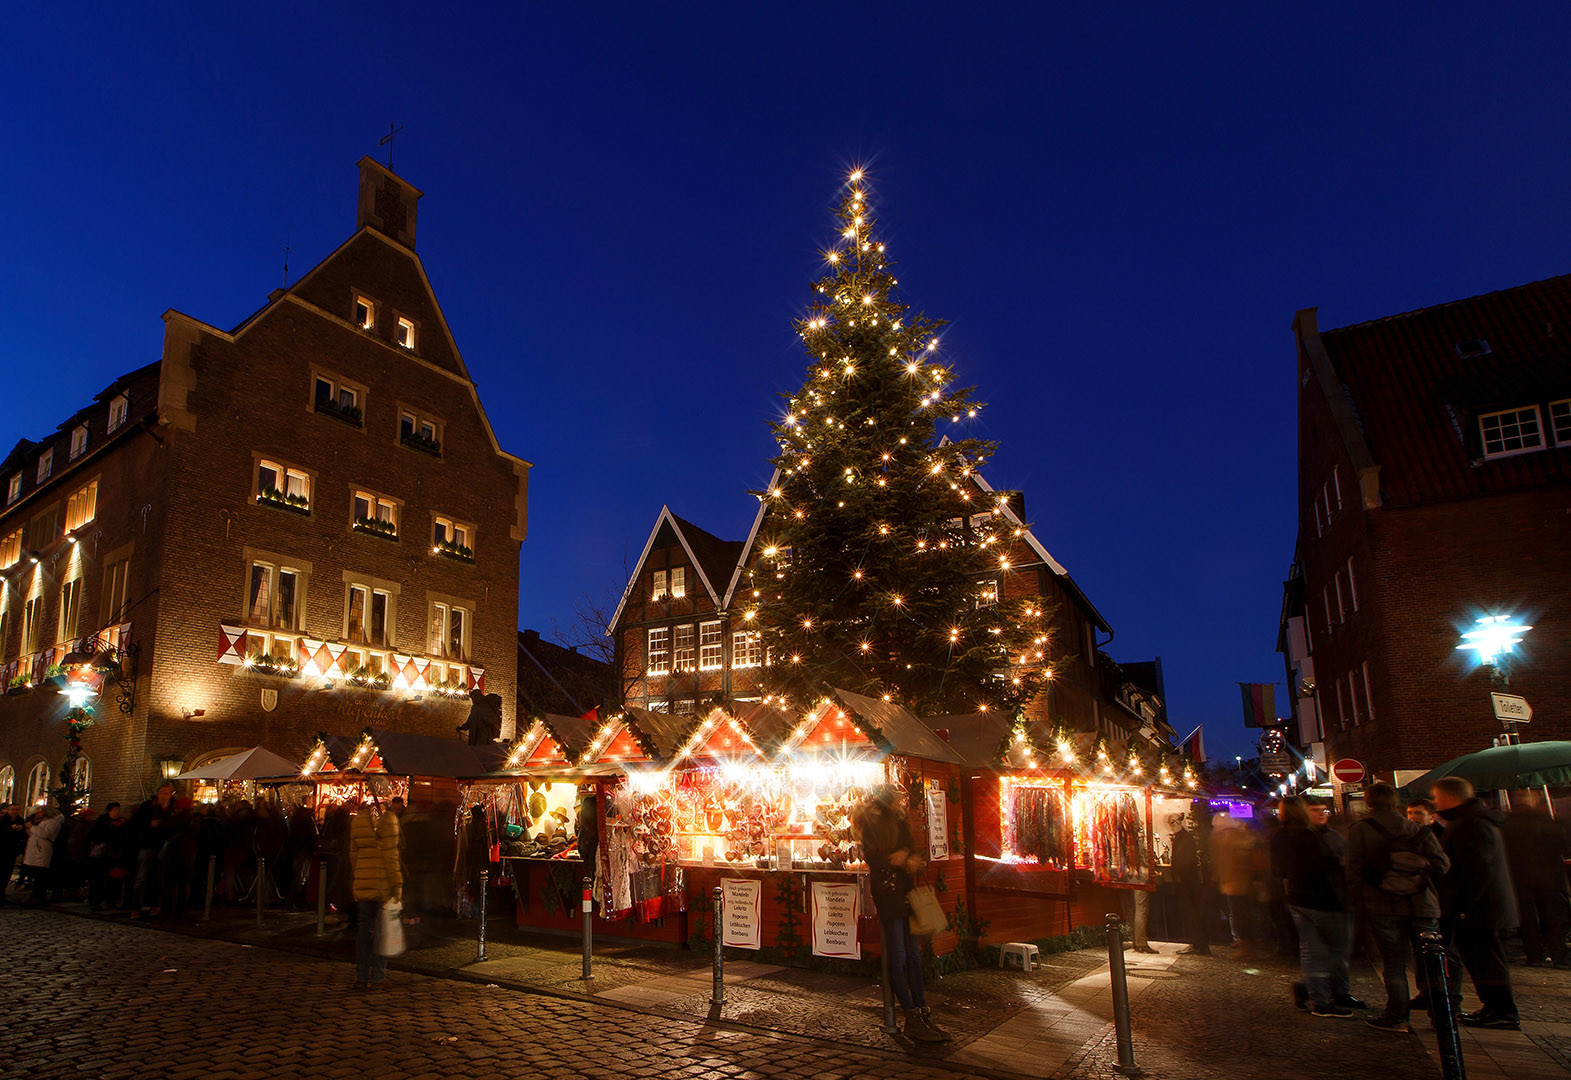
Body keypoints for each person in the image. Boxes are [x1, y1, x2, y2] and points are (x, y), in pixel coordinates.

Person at [1346, 782, 1449, 1033]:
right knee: (1431, 962)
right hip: (1422, 903)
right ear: (1396, 801)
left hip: (1383, 905)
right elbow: (1442, 865)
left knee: (1393, 962)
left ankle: (1397, 1016)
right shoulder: (1416, 829)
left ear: (1368, 802)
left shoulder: (1360, 830)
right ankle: (1441, 1016)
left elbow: (1353, 872)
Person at [851, 789, 949, 1044]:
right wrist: (897, 859)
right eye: (897, 798)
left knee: (912, 955)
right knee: (899, 955)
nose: (902, 801)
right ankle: (911, 1016)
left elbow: (909, 848)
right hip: (889, 893)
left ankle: (921, 1011)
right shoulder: (875, 823)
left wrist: (911, 857)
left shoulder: (898, 819)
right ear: (888, 801)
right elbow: (873, 857)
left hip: (904, 891)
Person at [1432, 776, 1520, 1029]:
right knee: (1482, 960)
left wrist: (1463, 908)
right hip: (1481, 907)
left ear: (1449, 797)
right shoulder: (1472, 822)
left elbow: (1478, 870)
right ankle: (1493, 1007)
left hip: (1480, 909)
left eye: (1437, 797)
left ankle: (1502, 1010)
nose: (1435, 802)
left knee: (1487, 960)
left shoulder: (1471, 825)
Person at [1271, 797, 1360, 1017]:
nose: (1321, 814)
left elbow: (1279, 870)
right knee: (1335, 951)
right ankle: (1322, 994)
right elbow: (1326, 866)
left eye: (1323, 810)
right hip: (1326, 899)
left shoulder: (1280, 837)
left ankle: (1319, 995)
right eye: (1314, 810)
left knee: (1314, 952)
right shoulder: (1309, 836)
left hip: (1299, 898)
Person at [1501, 790, 1571, 969]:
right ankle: (1558, 955)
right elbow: (1562, 846)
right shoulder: (1547, 821)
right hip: (1550, 877)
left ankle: (1534, 955)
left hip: (1519, 878)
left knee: (1528, 918)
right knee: (1553, 917)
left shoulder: (1507, 824)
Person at [350, 794, 403, 990]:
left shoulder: (358, 820)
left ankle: (361, 976)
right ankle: (379, 976)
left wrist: (361, 874)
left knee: (364, 931)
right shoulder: (388, 819)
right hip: (382, 883)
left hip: (363, 882)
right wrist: (397, 885)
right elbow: (391, 856)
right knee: (382, 932)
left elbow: (353, 854)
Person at [1211, 811, 1265, 958]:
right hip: (1237, 882)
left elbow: (1228, 861)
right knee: (1242, 915)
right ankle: (1250, 946)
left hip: (1237, 883)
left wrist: (1219, 876)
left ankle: (1248, 947)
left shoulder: (1229, 838)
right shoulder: (1237, 837)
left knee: (1242, 915)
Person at [1171, 803, 1216, 955]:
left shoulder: (1184, 838)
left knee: (1192, 913)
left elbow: (1183, 860)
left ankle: (1200, 944)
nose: (1173, 825)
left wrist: (1177, 872)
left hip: (1188, 881)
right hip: (1188, 881)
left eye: (1175, 822)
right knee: (1193, 913)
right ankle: (1199, 943)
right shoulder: (1183, 837)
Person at [130, 783, 175, 917]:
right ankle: (135, 907)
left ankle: (154, 905)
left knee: (158, 877)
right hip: (147, 845)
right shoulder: (147, 807)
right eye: (162, 793)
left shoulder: (172, 809)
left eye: (167, 793)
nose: (164, 796)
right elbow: (136, 823)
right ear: (158, 794)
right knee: (142, 877)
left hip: (163, 846)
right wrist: (149, 824)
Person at [22, 808, 64, 906]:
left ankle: (39, 897)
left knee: (40, 876)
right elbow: (35, 834)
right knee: (36, 875)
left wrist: (32, 827)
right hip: (35, 850)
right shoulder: (42, 822)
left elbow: (44, 834)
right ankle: (35, 895)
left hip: (41, 851)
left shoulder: (53, 823)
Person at [0, 805, 24, 904]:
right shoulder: (3, 821)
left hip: (12, 850)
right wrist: (10, 829)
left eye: (16, 810)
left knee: (7, 873)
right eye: (12, 810)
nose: (14, 812)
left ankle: (2, 894)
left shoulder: (20, 820)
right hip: (2, 850)